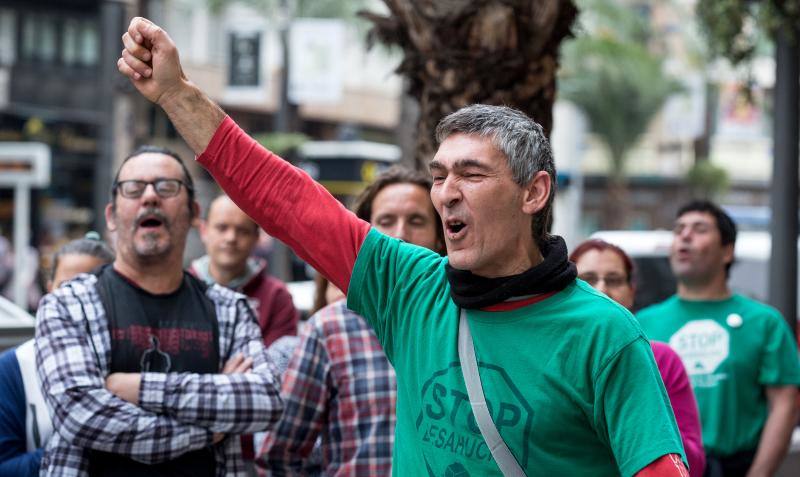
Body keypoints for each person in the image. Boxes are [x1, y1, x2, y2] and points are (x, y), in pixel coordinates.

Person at [118, 18, 688, 476]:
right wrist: (174, 94)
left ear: (533, 192)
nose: (447, 195)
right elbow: (286, 200)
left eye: (472, 175)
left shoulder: (604, 335)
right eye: (439, 176)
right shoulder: (410, 286)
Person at [34, 145, 283, 476]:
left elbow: (265, 401)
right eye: (133, 189)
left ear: (194, 214)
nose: (149, 197)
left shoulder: (231, 310)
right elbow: (81, 416)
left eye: (167, 187)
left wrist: (136, 388)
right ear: (111, 216)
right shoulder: (67, 305)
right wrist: (210, 426)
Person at [258, 167, 444, 475]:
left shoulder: (462, 324)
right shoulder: (331, 330)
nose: (400, 235)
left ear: (439, 237)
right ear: (365, 236)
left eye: (416, 221)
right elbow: (279, 457)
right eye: (386, 222)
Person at [636, 200, 800, 477]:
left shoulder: (764, 322)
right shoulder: (641, 323)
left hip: (737, 465)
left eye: (699, 229)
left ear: (727, 251)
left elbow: (785, 403)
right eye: (679, 230)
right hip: (668, 467)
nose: (685, 236)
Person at [571, 238, 706, 477]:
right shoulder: (551, 355)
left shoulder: (661, 359)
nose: (602, 289)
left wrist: (644, 430)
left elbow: (693, 461)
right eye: (588, 279)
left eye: (614, 280)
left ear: (631, 291)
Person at [0, 233, 114, 477]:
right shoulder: (15, 367)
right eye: (67, 287)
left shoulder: (137, 356)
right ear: (49, 288)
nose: (78, 301)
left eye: (92, 287)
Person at [191, 194, 299, 347]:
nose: (231, 238)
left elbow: (278, 364)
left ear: (256, 237)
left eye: (242, 231)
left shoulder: (277, 297)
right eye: (222, 228)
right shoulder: (181, 287)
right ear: (204, 231)